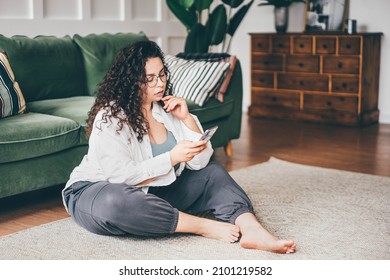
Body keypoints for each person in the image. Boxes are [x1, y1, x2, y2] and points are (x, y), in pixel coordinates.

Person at [62, 40, 296, 254]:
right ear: (131, 81)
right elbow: (120, 177)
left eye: (162, 75)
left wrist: (187, 120)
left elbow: (200, 163)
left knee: (213, 174)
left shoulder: (167, 110)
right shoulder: (111, 117)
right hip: (96, 190)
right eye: (150, 78)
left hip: (153, 189)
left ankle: (252, 230)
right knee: (118, 203)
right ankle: (200, 226)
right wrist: (171, 158)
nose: (160, 83)